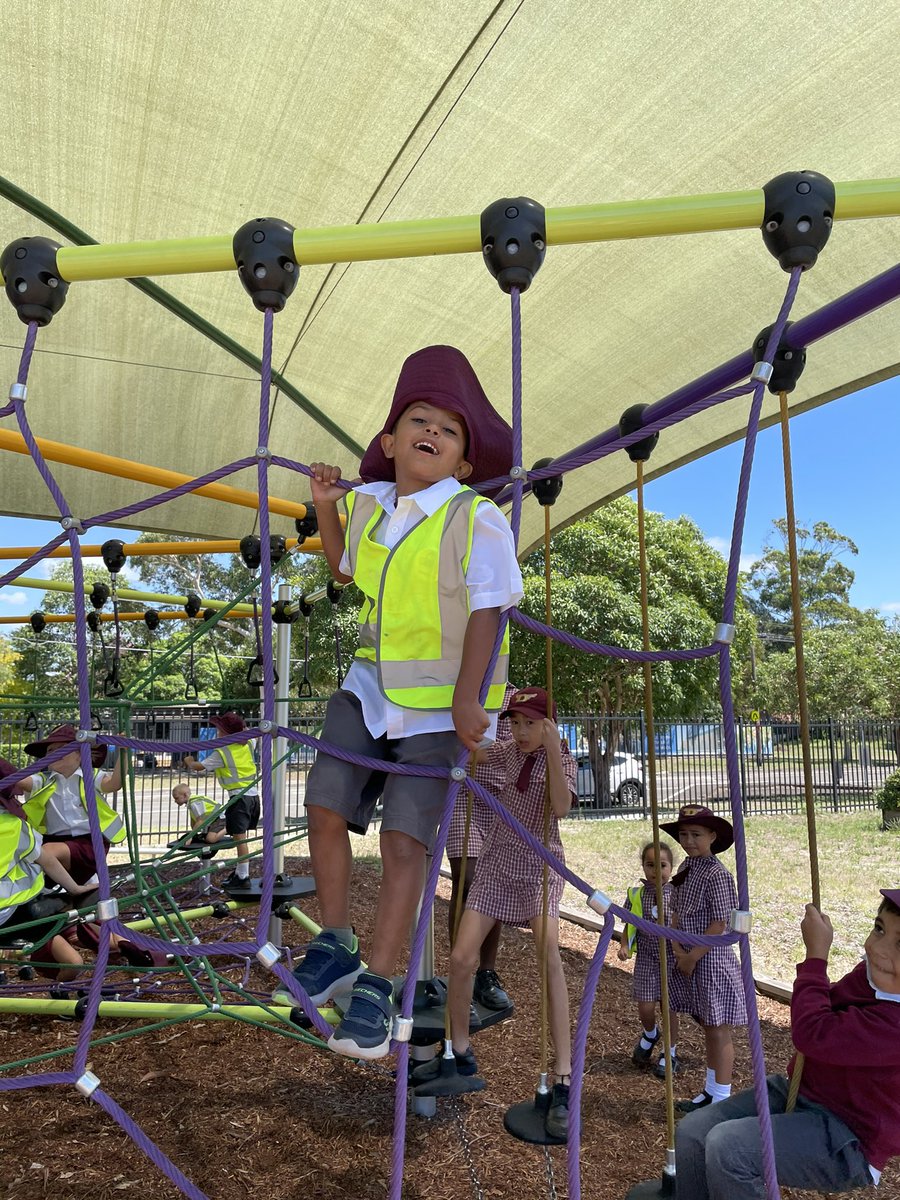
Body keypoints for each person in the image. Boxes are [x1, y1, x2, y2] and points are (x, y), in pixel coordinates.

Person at [275, 345, 522, 1060]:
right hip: (374, 685)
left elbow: (489, 608)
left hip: (443, 707)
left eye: (450, 430)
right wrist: (326, 507)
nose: (433, 432)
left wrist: (472, 698)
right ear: (389, 443)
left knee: (404, 839)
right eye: (419, 419)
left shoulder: (476, 516)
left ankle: (378, 985)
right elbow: (346, 569)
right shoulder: (372, 502)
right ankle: (336, 941)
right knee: (324, 801)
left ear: (464, 463)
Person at [413, 687, 576, 1139]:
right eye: (516, 722)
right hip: (498, 865)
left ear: (546, 724)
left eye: (529, 723)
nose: (520, 732)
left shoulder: (559, 758)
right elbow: (472, 755)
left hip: (539, 866)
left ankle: (563, 1076)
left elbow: (561, 807)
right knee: (462, 958)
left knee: (549, 955)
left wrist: (550, 747)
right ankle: (460, 1049)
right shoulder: (505, 752)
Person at [675, 890, 900, 1199]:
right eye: (879, 928)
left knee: (730, 1149)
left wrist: (816, 958)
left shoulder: (895, 1026)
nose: (877, 949)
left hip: (848, 1139)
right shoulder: (871, 977)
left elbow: (813, 1032)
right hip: (804, 1092)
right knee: (693, 1132)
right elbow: (822, 1006)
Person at [659, 804, 747, 1112]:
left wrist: (693, 955)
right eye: (683, 834)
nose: (689, 841)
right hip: (687, 954)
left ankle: (721, 1096)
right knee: (707, 1025)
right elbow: (676, 910)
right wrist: (677, 949)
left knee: (717, 1026)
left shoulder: (716, 874)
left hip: (709, 959)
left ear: (712, 836)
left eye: (696, 834)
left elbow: (720, 921)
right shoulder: (685, 868)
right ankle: (710, 1091)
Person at [446, 680, 517, 1013]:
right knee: (467, 878)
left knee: (494, 882)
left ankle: (486, 975)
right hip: (465, 791)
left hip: (500, 800)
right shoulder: (458, 690)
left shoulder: (512, 697)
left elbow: (517, 749)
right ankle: (460, 973)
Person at [0, 757, 95, 985]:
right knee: (71, 910)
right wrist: (75, 888)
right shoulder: (14, 827)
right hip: (13, 913)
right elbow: (47, 860)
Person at [19, 723, 125, 886]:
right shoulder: (43, 780)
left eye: (61, 749)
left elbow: (114, 784)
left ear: (80, 754)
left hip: (90, 842)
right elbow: (18, 781)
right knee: (27, 853)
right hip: (54, 839)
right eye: (50, 751)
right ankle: (64, 890)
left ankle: (74, 887)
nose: (54, 753)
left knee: (45, 852)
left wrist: (124, 752)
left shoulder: (91, 776)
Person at [617, 839, 681, 1078]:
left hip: (670, 958)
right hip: (646, 957)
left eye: (662, 865)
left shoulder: (676, 893)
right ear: (643, 867)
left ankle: (669, 1052)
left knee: (669, 1007)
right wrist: (625, 945)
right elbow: (629, 924)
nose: (657, 871)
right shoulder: (637, 894)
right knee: (645, 1007)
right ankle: (651, 1033)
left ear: (671, 868)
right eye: (650, 865)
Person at [183, 711, 260, 888]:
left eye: (220, 729)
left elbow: (199, 767)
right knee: (240, 838)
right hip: (253, 797)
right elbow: (250, 732)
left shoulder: (223, 752)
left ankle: (243, 877)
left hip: (239, 798)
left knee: (240, 839)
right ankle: (242, 872)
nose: (217, 732)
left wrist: (188, 761)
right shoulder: (248, 743)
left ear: (226, 733)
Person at [171, 783, 228, 858]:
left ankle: (228, 828)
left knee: (210, 839)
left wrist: (190, 837)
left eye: (177, 798)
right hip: (215, 819)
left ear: (185, 795)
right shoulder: (191, 803)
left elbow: (200, 821)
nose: (175, 801)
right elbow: (193, 822)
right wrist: (193, 834)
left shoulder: (195, 803)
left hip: (221, 817)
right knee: (207, 838)